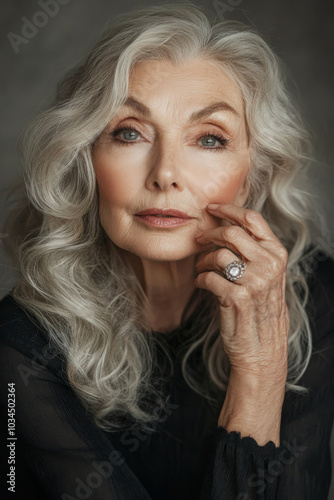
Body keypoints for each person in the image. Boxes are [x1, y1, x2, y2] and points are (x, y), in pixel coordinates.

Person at [0, 2, 333, 499]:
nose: (165, 173)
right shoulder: (21, 344)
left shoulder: (312, 295)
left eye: (210, 139)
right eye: (129, 132)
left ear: (253, 173)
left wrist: (260, 369)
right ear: (85, 159)